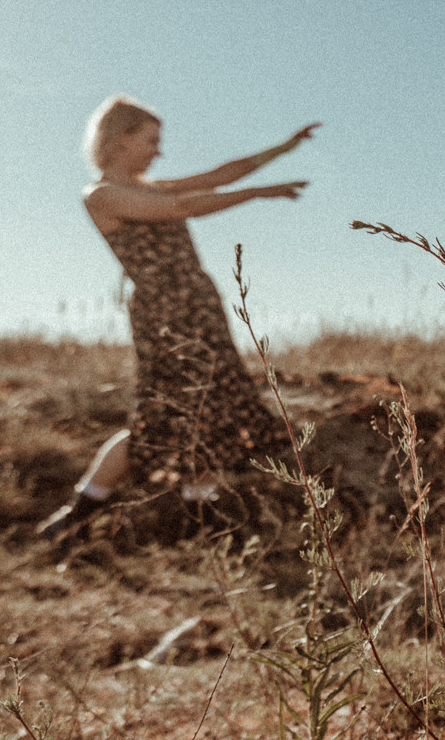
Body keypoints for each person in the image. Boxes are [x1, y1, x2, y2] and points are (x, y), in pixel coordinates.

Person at [36, 97, 319, 540]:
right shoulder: (103, 195)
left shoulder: (150, 186)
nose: (158, 151)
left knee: (210, 408)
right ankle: (77, 515)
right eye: (151, 140)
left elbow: (219, 175)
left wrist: (282, 149)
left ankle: (199, 521)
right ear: (121, 137)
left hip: (197, 303)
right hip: (164, 311)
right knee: (162, 412)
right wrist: (259, 193)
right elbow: (179, 209)